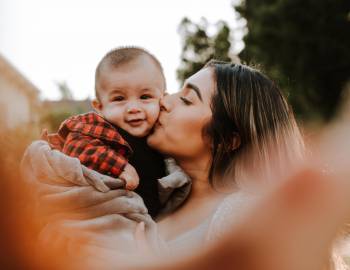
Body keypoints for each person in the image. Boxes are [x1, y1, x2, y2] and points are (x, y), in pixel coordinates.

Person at [21, 60, 313, 267]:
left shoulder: (244, 214)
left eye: (187, 100)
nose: (164, 101)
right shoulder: (162, 194)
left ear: (227, 139)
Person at [43, 47, 190, 218]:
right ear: (100, 107)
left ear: (162, 99)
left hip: (148, 223)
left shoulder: (161, 135)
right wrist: (120, 167)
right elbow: (76, 147)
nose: (133, 108)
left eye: (145, 97)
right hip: (103, 217)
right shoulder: (99, 128)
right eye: (119, 99)